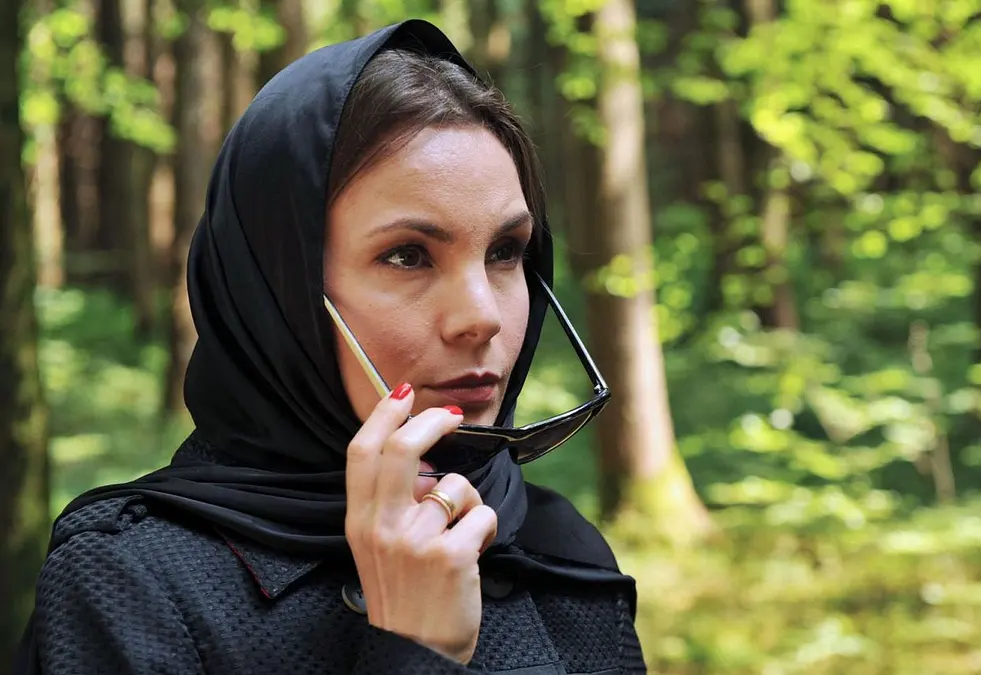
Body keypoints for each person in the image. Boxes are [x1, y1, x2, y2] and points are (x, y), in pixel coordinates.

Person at [14, 19, 645, 675]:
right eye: (408, 255)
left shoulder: (561, 548)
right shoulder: (126, 585)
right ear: (277, 288)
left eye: (505, 251)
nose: (482, 317)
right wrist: (419, 652)